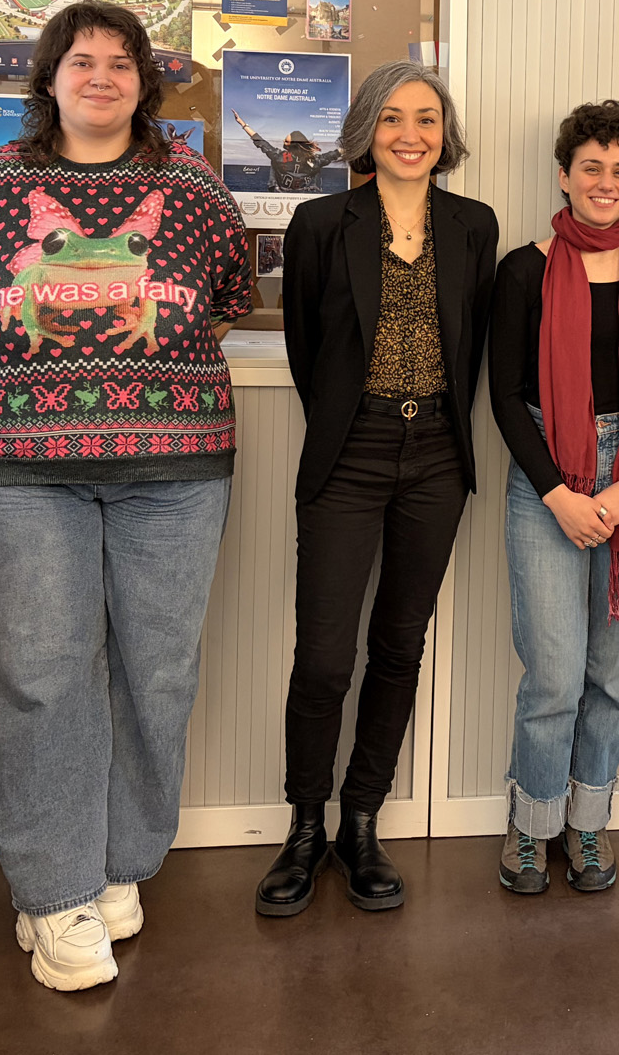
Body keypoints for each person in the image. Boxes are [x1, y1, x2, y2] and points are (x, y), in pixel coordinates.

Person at [0, 0, 254, 992]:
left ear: (144, 83)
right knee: (34, 674)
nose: (100, 76)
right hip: (17, 465)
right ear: (50, 78)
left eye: (119, 61)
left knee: (157, 673)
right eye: (80, 60)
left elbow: (228, 298)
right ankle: (52, 893)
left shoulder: (195, 192)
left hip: (175, 468)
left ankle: (117, 865)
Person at [255, 60, 498, 916]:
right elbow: (306, 347)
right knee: (325, 657)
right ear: (365, 130)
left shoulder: (473, 225)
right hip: (348, 455)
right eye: (392, 117)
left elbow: (472, 347)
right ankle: (305, 827)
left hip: (437, 458)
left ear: (444, 132)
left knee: (399, 647)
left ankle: (362, 822)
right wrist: (352, 421)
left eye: (426, 118)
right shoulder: (322, 223)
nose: (410, 134)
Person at [486, 101, 619, 894]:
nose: (605, 182)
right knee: (553, 673)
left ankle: (588, 822)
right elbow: (504, 394)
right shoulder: (524, 270)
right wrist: (557, 493)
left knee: (613, 675)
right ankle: (532, 824)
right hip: (547, 472)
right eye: (591, 167)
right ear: (564, 175)